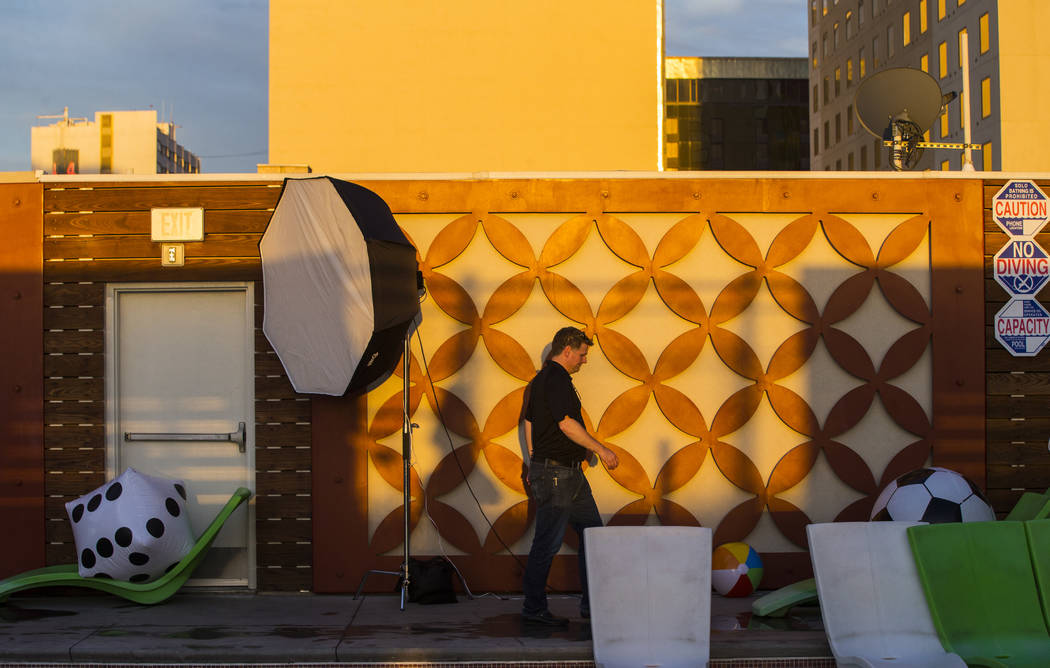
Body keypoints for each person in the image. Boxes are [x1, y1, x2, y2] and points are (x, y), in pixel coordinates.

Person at [520, 326, 620, 626]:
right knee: (547, 542)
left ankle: (593, 606)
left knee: (593, 537)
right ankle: (534, 608)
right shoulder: (556, 380)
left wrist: (531, 461)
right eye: (582, 354)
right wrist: (601, 450)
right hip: (557, 474)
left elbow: (528, 421)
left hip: (568, 473)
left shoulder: (541, 380)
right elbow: (565, 424)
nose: (584, 360)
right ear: (567, 350)